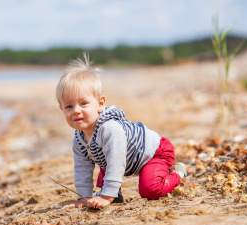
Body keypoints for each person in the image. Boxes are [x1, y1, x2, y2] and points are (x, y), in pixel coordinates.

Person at [56, 53, 187, 210]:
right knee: (104, 165)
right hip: (124, 158)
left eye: (83, 103)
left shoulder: (110, 128)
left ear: (100, 104)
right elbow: (82, 168)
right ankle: (114, 194)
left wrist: (106, 196)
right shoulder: (79, 139)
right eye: (69, 106)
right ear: (61, 109)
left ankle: (178, 174)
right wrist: (85, 198)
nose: (76, 111)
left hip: (155, 153)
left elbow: (117, 160)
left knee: (150, 190)